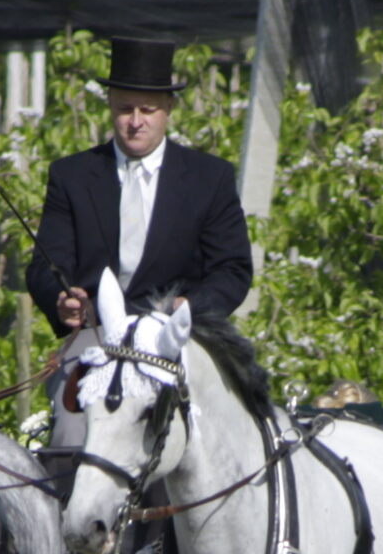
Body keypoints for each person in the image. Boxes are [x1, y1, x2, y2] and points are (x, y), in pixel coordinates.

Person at [27, 37, 253, 336]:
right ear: (110, 103)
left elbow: (232, 268)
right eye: (125, 109)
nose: (135, 122)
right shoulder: (71, 175)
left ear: (169, 107)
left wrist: (189, 307)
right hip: (95, 332)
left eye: (147, 110)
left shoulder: (210, 177)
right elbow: (47, 263)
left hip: (177, 333)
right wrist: (62, 300)